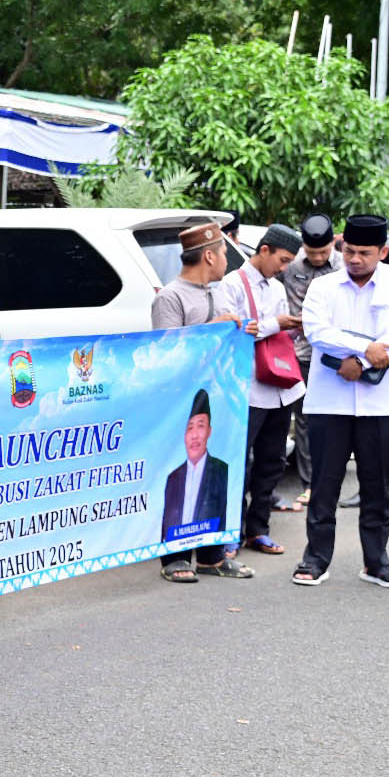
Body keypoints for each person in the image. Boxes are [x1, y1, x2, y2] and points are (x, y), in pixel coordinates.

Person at [291, 214, 389, 589]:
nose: (355, 259)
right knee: (324, 483)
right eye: (350, 251)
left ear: (384, 251)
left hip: (382, 401)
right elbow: (316, 331)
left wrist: (359, 362)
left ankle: (376, 562)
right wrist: (364, 348)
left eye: (365, 253)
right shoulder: (323, 287)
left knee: (377, 484)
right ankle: (315, 559)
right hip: (329, 400)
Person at [150, 221, 249, 583]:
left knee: (216, 475)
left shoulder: (220, 292)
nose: (226, 260)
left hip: (221, 402)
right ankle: (175, 557)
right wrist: (214, 328)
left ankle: (212, 555)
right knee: (181, 478)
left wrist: (240, 331)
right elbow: (170, 354)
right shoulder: (170, 297)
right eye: (224, 253)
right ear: (209, 255)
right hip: (183, 407)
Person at [215, 223, 305, 555]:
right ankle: (231, 534)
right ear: (263, 250)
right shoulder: (231, 285)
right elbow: (232, 333)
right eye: (282, 260)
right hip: (248, 387)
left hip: (280, 387)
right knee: (241, 460)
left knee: (273, 461)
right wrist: (274, 325)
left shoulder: (277, 288)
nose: (284, 268)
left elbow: (277, 335)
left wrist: (294, 328)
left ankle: (259, 529)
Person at [282, 213, 342, 493]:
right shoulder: (291, 268)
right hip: (302, 355)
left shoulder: (345, 266)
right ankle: (310, 484)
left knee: (335, 420)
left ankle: (332, 480)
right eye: (311, 252)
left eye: (323, 252)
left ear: (332, 243)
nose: (318, 258)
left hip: (338, 355)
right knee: (305, 421)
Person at [159, 389, 230, 538]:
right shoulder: (173, 478)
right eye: (189, 428)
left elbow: (225, 518)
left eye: (201, 426)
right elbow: (166, 527)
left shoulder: (222, 471)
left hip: (210, 547)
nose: (195, 435)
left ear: (209, 431)